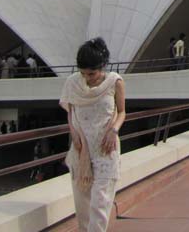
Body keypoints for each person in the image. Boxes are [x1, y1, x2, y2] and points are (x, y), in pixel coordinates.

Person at [60, 38, 126, 232]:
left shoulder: (115, 82)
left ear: (102, 66)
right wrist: (73, 132)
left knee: (100, 206)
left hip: (106, 149)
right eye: (83, 73)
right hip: (81, 151)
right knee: (83, 209)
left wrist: (114, 130)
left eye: (92, 73)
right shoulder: (72, 83)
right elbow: (71, 112)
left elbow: (122, 112)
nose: (87, 78)